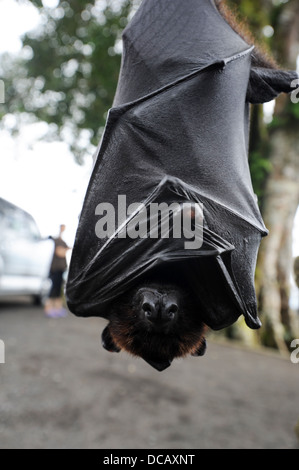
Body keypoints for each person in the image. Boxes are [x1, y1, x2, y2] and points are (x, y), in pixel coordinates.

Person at [44, 224, 70, 318]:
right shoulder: (55, 241)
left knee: (59, 290)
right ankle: (48, 309)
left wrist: (65, 249)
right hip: (55, 269)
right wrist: (65, 250)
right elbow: (59, 252)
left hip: (61, 269)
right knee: (53, 289)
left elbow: (65, 250)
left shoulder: (63, 242)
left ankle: (57, 309)